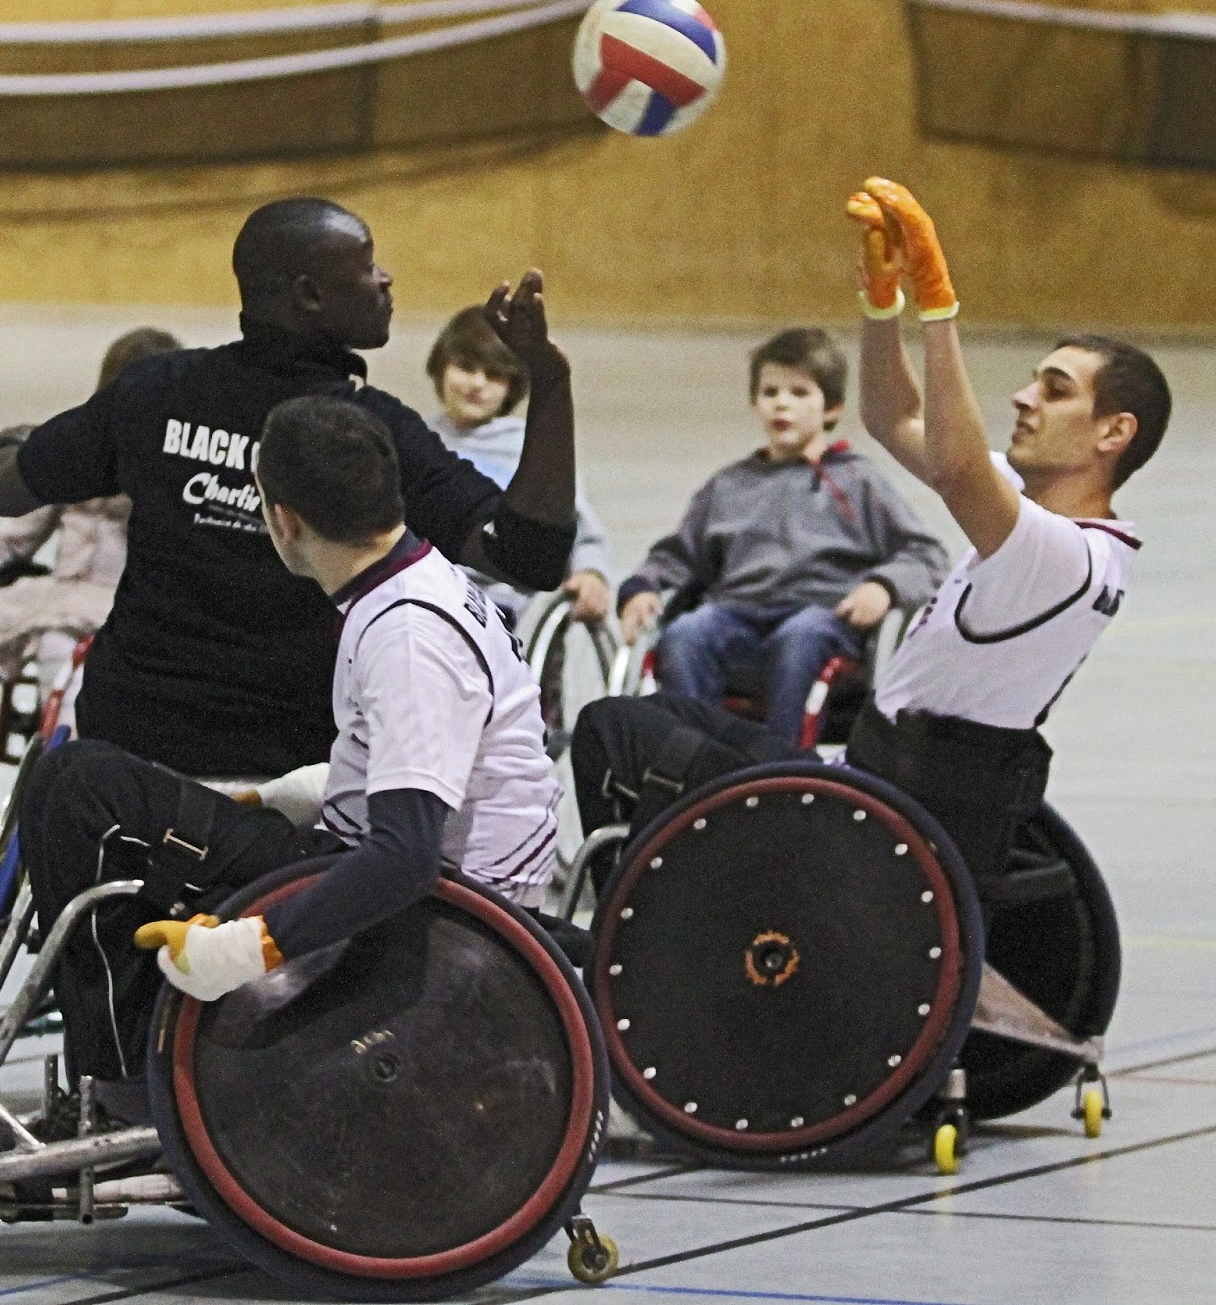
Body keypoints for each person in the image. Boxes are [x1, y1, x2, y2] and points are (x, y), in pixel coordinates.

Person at [575, 177, 1171, 901]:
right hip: (873, 780)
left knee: (612, 731)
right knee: (654, 712)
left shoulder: (1067, 558)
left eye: (1054, 389)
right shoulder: (1038, 513)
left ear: (1113, 433)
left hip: (881, 822)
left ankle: (636, 917)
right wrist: (883, 304)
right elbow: (894, 418)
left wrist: (938, 303)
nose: (1022, 397)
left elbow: (952, 465)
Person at [19, 396, 563, 1114]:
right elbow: (431, 762)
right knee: (72, 777)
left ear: (284, 521)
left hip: (447, 917)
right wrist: (297, 793)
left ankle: (120, 1090)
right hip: (399, 866)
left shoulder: (407, 635)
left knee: (86, 790)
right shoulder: (411, 583)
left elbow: (406, 855)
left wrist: (250, 949)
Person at [0, 198, 579, 778]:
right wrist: (549, 379)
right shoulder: (367, 432)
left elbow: (1, 488)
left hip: (127, 749)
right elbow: (528, 554)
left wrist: (20, 442)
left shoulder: (156, 393)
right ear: (310, 296)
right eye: (367, 267)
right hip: (290, 766)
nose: (385, 280)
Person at [616, 327, 948, 744]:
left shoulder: (858, 481)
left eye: (799, 392)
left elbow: (926, 555)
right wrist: (643, 586)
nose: (782, 403)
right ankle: (691, 765)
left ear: (831, 408)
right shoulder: (729, 485)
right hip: (736, 615)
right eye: (770, 392)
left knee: (800, 637)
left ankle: (781, 768)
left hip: (819, 617)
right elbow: (679, 555)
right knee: (685, 634)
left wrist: (882, 587)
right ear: (755, 403)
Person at [0, 327, 180, 836]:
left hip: (116, 600)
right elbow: (16, 538)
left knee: (56, 645)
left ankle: (54, 799)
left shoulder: (172, 462)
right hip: (57, 593)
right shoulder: (83, 447)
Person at [424, 306, 614, 627]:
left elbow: (580, 528)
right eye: (466, 368)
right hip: (425, 590)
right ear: (441, 369)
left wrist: (590, 574)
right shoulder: (414, 439)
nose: (477, 383)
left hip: (502, 603)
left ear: (512, 385)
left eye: (493, 374)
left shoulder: (531, 448)